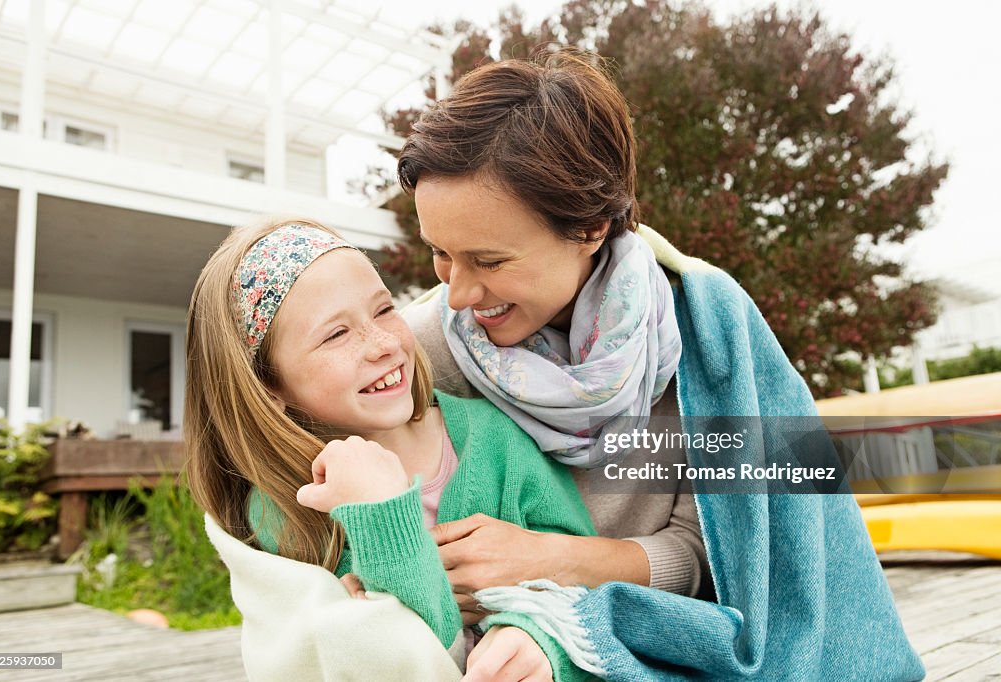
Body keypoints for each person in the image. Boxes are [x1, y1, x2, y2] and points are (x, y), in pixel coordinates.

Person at [396, 51, 925, 680]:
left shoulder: (704, 331)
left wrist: (549, 561)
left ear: (590, 227)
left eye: (488, 260)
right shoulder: (423, 354)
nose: (457, 294)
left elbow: (732, 559)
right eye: (440, 254)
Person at [184, 217, 600, 682]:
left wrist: (538, 638)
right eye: (335, 335)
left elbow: (589, 593)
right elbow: (414, 660)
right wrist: (385, 515)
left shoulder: (497, 438)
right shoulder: (284, 512)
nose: (383, 344)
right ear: (268, 384)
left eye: (383, 310)